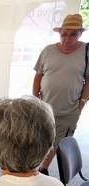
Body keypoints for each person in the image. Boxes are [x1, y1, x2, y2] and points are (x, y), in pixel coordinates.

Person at [33, 13, 89, 175]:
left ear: (80, 33)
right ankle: (31, 169)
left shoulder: (86, 52)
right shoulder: (48, 51)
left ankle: (43, 169)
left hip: (70, 111)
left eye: (73, 34)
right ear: (60, 33)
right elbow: (38, 76)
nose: (67, 38)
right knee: (39, 139)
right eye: (64, 34)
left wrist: (82, 104)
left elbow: (88, 80)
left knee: (57, 143)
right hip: (44, 108)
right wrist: (36, 99)